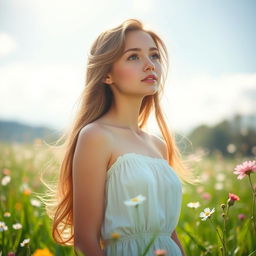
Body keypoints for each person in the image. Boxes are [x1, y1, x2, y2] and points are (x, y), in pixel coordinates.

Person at [43, 18, 197, 256]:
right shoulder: (96, 136)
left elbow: (169, 232)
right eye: (134, 57)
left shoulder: (158, 145)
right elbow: (85, 241)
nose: (150, 65)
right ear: (107, 75)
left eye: (154, 56)